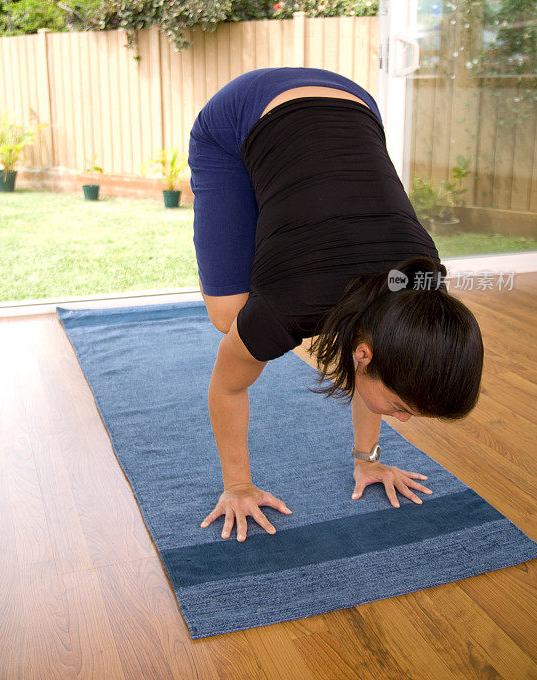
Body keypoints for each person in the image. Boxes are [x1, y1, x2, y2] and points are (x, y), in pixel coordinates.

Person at [188, 66, 484, 543]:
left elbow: (377, 356)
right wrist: (237, 486)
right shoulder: (288, 305)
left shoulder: (423, 290)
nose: (403, 419)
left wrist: (367, 460)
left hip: (355, 103)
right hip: (241, 111)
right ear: (363, 355)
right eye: (403, 406)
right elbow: (227, 387)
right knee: (229, 316)